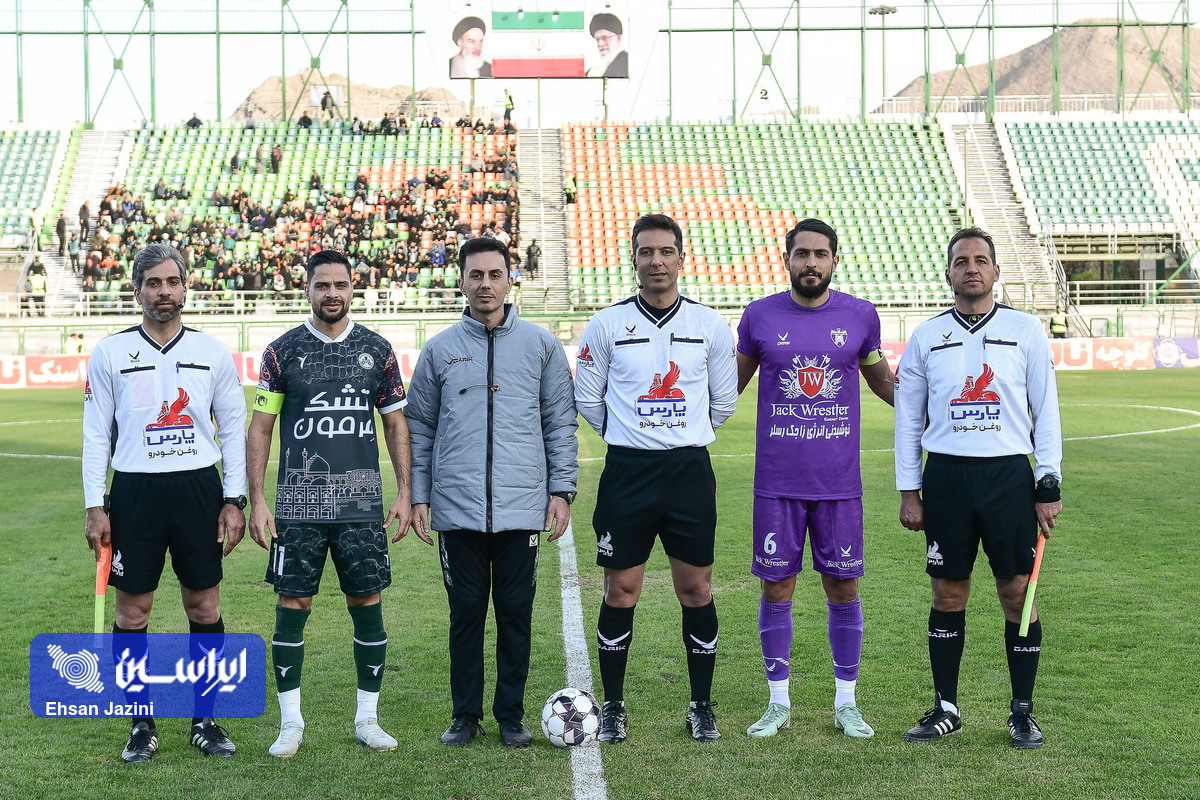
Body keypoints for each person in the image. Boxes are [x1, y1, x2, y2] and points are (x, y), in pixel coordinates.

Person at [895, 227, 1063, 749]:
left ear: (996, 271)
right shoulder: (927, 336)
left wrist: (1048, 480)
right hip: (946, 477)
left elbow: (1046, 408)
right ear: (948, 273)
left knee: (1018, 593)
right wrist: (909, 490)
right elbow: (908, 418)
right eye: (962, 261)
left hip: (1008, 478)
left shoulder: (1025, 329)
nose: (972, 268)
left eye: (981, 260)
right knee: (948, 592)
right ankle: (946, 707)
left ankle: (1022, 711)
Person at [406, 236, 577, 749]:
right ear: (461, 281)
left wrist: (561, 489)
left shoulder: (541, 346)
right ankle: (465, 715)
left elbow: (559, 423)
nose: (485, 284)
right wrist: (419, 494)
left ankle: (510, 715)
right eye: (476, 275)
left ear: (510, 279)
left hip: (522, 508)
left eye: (495, 274)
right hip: (457, 509)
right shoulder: (440, 349)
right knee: (465, 616)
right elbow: (420, 427)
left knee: (515, 615)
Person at [574, 213, 738, 743]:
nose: (657, 261)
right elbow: (588, 399)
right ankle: (614, 706)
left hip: (689, 472)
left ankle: (700, 705)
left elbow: (723, 401)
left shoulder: (710, 325)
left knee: (696, 588)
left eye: (666, 251)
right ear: (634, 258)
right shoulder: (607, 324)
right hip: (628, 472)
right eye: (646, 252)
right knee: (621, 590)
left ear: (681, 258)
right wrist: (630, 436)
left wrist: (681, 434)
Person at [247, 249, 417, 758]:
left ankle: (368, 719)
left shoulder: (377, 350)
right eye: (322, 285)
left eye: (340, 285)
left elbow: (395, 423)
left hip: (361, 506)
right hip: (298, 507)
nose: (332, 294)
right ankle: (290, 724)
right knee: (292, 604)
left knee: (367, 603)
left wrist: (405, 492)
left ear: (352, 287)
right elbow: (261, 427)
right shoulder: (281, 353)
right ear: (307, 290)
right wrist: (258, 500)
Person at [82, 243, 248, 763]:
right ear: (137, 291)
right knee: (133, 613)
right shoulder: (110, 353)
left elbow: (234, 429)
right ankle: (141, 724)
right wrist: (94, 504)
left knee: (204, 606)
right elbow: (95, 434)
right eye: (153, 283)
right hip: (135, 491)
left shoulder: (212, 351)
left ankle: (206, 720)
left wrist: (234, 498)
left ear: (185, 287)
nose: (163, 292)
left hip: (199, 490)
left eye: (172, 282)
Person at [734, 219, 895, 740]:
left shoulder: (860, 315)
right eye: (801, 253)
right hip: (777, 483)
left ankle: (846, 703)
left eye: (820, 254)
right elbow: (727, 388)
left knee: (843, 587)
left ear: (834, 261)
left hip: (838, 485)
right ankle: (777, 702)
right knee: (777, 586)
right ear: (787, 259)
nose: (811, 263)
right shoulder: (758, 316)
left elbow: (886, 385)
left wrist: (938, 411)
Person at [588, 13, 629, 78]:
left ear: (618, 38)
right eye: (597, 39)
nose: (600, 44)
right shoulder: (593, 70)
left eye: (605, 38)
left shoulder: (629, 63)